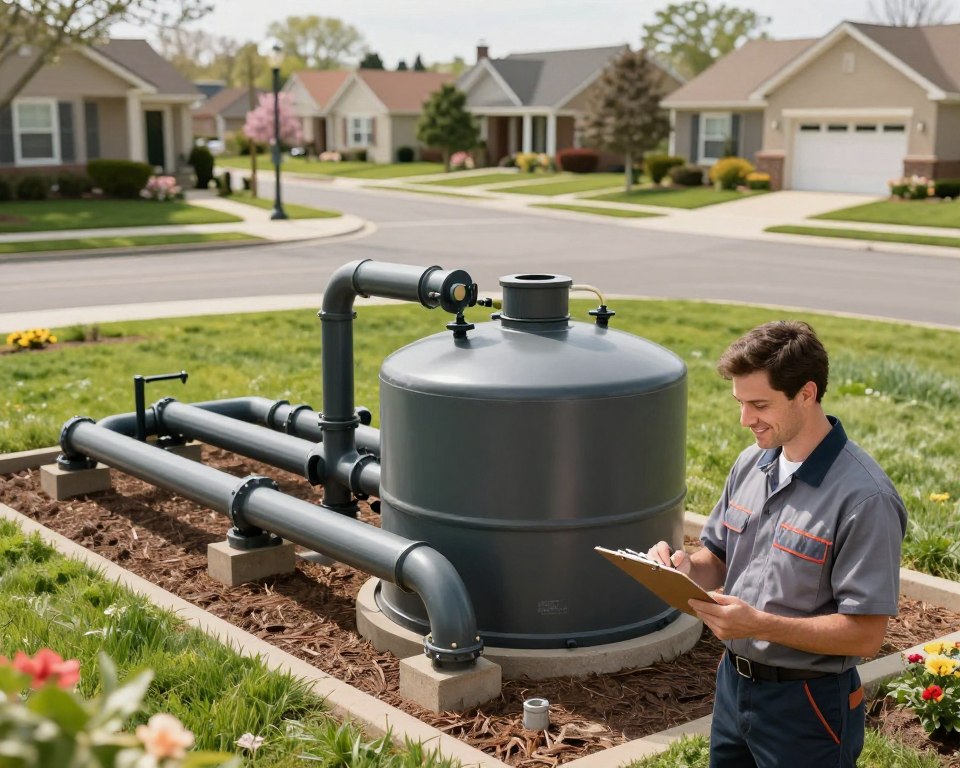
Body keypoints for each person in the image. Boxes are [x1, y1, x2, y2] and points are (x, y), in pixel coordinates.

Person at [648, 320, 906, 768]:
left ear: (807, 393)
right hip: (733, 685)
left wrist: (759, 626)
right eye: (740, 403)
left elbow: (866, 635)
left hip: (808, 705)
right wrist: (687, 568)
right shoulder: (750, 464)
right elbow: (718, 558)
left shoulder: (865, 498)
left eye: (760, 404)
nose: (746, 420)